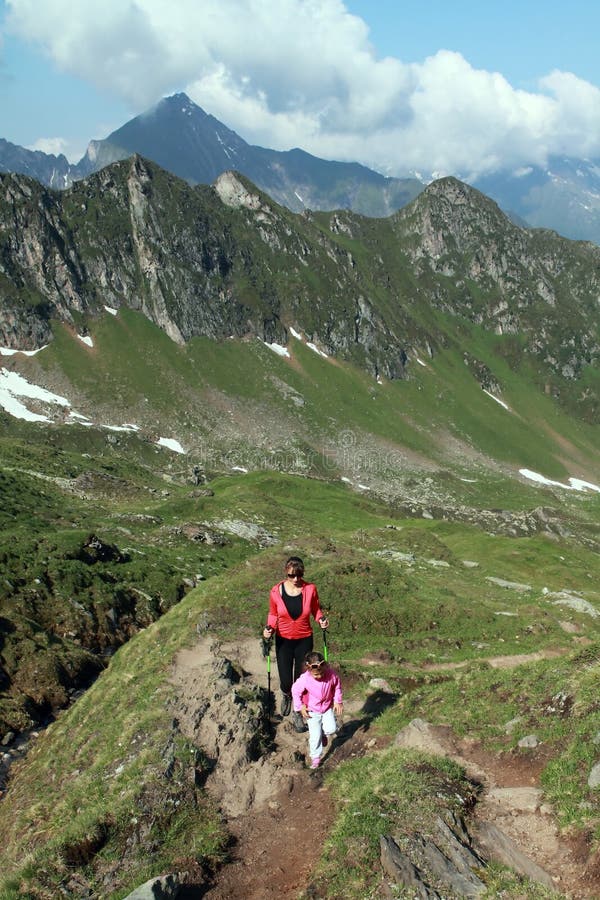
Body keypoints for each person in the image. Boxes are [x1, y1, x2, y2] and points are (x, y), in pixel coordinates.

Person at [263, 556, 328, 718]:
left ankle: (298, 711)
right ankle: (286, 695)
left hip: (304, 639)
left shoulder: (310, 589)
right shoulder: (276, 591)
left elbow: (315, 609)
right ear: (286, 573)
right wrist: (269, 628)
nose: (296, 579)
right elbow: (273, 613)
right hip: (283, 640)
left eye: (299, 575)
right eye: (291, 575)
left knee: (300, 679)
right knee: (286, 681)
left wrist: (321, 619)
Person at [291, 651, 343, 769]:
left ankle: (324, 734)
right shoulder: (305, 679)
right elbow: (295, 690)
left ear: (325, 667)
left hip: (326, 708)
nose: (319, 677)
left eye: (321, 673)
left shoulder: (331, 675)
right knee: (315, 736)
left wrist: (337, 701)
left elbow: (337, 687)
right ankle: (316, 758)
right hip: (312, 711)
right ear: (308, 670)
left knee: (332, 729)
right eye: (316, 675)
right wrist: (300, 707)